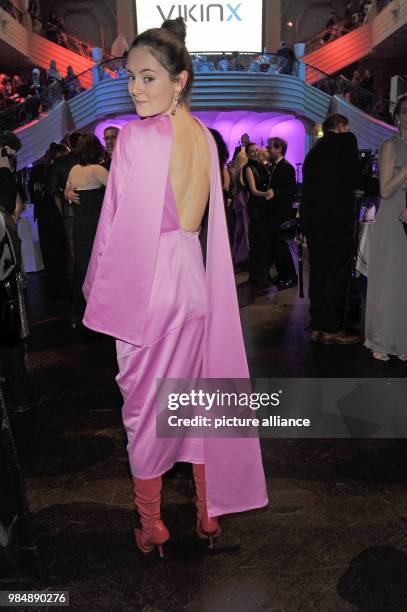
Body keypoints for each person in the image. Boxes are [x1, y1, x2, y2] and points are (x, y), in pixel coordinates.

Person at [83, 16, 268, 557]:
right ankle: (209, 518)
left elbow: (113, 228)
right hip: (195, 282)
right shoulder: (205, 139)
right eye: (132, 77)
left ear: (179, 79)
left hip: (150, 285)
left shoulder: (138, 138)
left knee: (144, 410)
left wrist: (96, 292)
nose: (134, 88)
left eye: (147, 78)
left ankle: (153, 525)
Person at [301, 113, 361, 344]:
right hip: (337, 221)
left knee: (319, 274)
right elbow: (356, 178)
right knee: (337, 276)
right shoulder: (346, 142)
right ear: (342, 126)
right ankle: (332, 329)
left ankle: (318, 326)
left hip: (315, 223)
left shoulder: (314, 152)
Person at [364, 95, 407, 361]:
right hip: (392, 216)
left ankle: (401, 339)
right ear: (398, 116)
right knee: (389, 279)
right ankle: (380, 339)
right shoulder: (390, 145)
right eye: (405, 111)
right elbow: (385, 189)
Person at [0, 167, 37, 413]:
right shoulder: (3, 217)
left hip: (4, 291)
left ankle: (22, 397)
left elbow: (8, 262)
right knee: (11, 347)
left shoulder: (2, 218)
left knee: (10, 347)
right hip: (6, 289)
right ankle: (21, 396)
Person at [64, 134, 108, 325]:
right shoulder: (98, 170)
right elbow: (118, 189)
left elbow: (67, 191)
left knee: (81, 267)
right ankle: (100, 312)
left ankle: (80, 311)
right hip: (96, 223)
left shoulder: (74, 169)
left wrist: (68, 195)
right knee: (99, 267)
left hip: (79, 224)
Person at [28, 143, 70, 299]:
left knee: (49, 250)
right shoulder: (53, 170)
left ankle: (54, 285)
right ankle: (60, 284)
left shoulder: (39, 170)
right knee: (59, 249)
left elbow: (32, 191)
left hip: (45, 215)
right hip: (54, 215)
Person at [266, 137, 298, 289]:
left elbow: (292, 190)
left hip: (282, 213)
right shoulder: (276, 166)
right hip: (275, 212)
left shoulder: (286, 167)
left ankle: (291, 277)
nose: (267, 149)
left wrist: (275, 193)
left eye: (270, 147)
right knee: (277, 246)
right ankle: (282, 274)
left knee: (282, 246)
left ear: (279, 149)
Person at [243, 142, 273, 287]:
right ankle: (258, 276)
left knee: (264, 242)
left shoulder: (261, 165)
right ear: (247, 153)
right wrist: (267, 194)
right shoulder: (248, 168)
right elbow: (253, 191)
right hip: (256, 207)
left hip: (263, 206)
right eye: (252, 151)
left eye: (256, 150)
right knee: (258, 241)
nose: (255, 152)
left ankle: (263, 274)